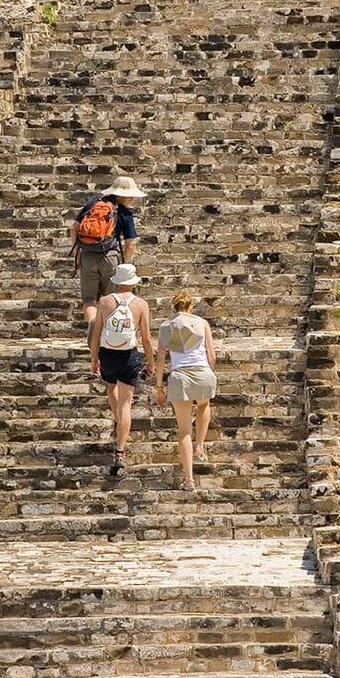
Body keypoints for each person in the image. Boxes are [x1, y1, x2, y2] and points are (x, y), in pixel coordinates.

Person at [90, 263, 155, 476]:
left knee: (111, 388)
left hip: (108, 354)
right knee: (126, 403)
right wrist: (151, 363)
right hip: (129, 355)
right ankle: (120, 451)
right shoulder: (141, 305)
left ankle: (117, 421)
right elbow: (146, 337)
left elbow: (96, 333)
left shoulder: (105, 302)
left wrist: (94, 360)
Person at [70, 176, 146, 344]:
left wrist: (77, 252)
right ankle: (104, 334)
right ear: (125, 196)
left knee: (89, 300)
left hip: (88, 256)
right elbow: (130, 243)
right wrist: (125, 264)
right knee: (111, 299)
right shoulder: (124, 213)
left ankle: (92, 323)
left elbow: (74, 228)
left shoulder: (93, 204)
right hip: (110, 258)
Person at [155, 291, 217, 491]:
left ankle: (189, 479)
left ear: (174, 307)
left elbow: (161, 359)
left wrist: (159, 387)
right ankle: (200, 445)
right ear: (191, 307)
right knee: (203, 404)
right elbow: (211, 354)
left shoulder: (166, 326)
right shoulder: (202, 323)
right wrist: (210, 372)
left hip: (180, 375)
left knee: (183, 430)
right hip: (202, 371)